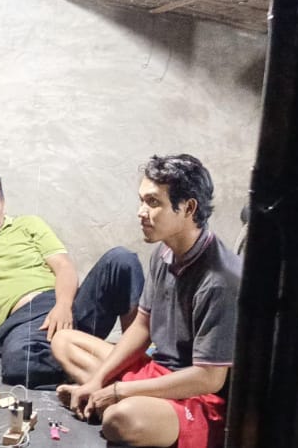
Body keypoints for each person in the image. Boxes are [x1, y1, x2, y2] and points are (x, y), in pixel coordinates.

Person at [53, 154, 242, 448]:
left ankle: (117, 405)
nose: (141, 212)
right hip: (157, 371)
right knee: (63, 341)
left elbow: (209, 378)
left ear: (188, 208)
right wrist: (98, 380)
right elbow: (142, 327)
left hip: (198, 396)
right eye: (142, 201)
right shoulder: (164, 252)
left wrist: (119, 392)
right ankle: (103, 397)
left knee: (121, 420)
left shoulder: (219, 280)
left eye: (153, 202)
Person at [0, 168, 144, 389]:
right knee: (19, 364)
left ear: (2, 204)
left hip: (66, 306)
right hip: (25, 324)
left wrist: (63, 306)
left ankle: (133, 357)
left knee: (121, 259)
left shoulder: (29, 224)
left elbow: (64, 267)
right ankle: (112, 379)